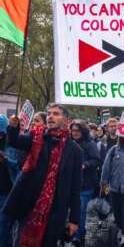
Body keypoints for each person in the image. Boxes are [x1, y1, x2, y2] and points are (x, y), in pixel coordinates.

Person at [3, 103, 83, 246]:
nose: (51, 116)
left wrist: (74, 220)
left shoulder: (75, 151)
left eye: (56, 113)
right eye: (49, 113)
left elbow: (75, 187)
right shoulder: (36, 136)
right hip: (28, 206)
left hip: (55, 211)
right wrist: (13, 127)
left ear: (66, 121)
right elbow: (14, 141)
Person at [101, 136, 124, 247]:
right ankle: (121, 228)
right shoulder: (114, 149)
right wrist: (104, 183)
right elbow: (106, 166)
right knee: (117, 212)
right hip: (114, 187)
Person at [69, 119, 101, 246]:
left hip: (85, 184)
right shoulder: (69, 143)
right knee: (71, 211)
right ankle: (71, 233)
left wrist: (85, 165)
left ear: (83, 131)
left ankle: (78, 236)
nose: (74, 133)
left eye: (77, 130)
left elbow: (97, 160)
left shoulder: (89, 143)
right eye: (72, 130)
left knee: (81, 211)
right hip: (71, 183)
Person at [0, 115, 13, 247]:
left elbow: (21, 166)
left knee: (3, 227)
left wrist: (7, 159)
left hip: (7, 192)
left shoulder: (12, 145)